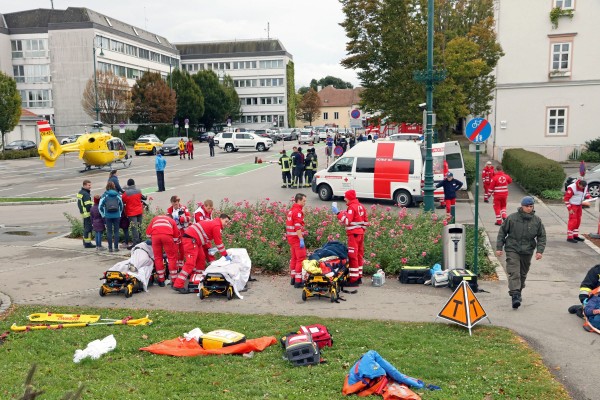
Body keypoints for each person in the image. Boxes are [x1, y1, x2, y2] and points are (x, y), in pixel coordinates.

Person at [496, 196, 546, 309]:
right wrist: (499, 247)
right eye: (527, 206)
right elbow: (502, 232)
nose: (529, 208)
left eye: (531, 206)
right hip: (512, 248)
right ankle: (515, 295)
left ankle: (518, 292)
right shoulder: (512, 218)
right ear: (522, 206)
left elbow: (541, 236)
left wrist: (539, 251)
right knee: (514, 272)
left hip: (527, 250)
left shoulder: (537, 220)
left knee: (523, 273)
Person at [172, 214, 232, 294]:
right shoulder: (216, 226)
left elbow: (205, 234)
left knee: (201, 258)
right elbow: (219, 243)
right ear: (221, 219)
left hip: (195, 240)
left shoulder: (214, 223)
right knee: (190, 263)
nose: (226, 224)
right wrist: (225, 255)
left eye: (228, 222)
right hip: (191, 240)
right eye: (226, 221)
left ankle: (197, 280)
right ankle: (178, 285)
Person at [332, 189, 368, 285]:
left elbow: (347, 221)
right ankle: (359, 276)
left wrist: (338, 213)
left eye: (346, 197)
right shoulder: (361, 206)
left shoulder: (352, 207)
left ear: (349, 197)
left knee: (353, 257)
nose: (344, 199)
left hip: (353, 235)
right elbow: (365, 222)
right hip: (360, 234)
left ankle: (354, 279)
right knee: (359, 255)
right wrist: (361, 231)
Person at [146, 214, 181, 286]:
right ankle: (174, 280)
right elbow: (176, 237)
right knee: (171, 257)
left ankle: (161, 280)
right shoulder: (172, 221)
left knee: (158, 257)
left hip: (155, 236)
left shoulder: (155, 218)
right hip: (167, 236)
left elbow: (148, 234)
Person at [287, 193, 307, 288]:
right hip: (296, 238)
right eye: (304, 201)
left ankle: (293, 278)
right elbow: (297, 227)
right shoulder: (297, 212)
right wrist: (301, 239)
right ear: (299, 200)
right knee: (301, 259)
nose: (305, 203)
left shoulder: (291, 211)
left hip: (291, 238)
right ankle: (298, 281)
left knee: (294, 258)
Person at [99, 181, 124, 252]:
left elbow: (100, 206)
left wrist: (103, 215)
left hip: (108, 216)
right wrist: (119, 213)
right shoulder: (117, 195)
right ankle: (116, 247)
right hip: (116, 215)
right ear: (114, 187)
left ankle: (110, 248)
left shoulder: (104, 195)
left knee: (109, 232)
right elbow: (121, 205)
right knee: (116, 232)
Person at [122, 178, 147, 249]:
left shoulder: (126, 193)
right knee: (139, 226)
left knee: (134, 228)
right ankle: (141, 240)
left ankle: (136, 243)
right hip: (139, 211)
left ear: (128, 185)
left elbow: (123, 201)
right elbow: (142, 197)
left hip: (131, 212)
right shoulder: (138, 190)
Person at [564, 179, 590, 243]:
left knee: (578, 220)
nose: (582, 188)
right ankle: (569, 237)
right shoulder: (571, 188)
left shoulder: (584, 186)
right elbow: (566, 199)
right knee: (573, 220)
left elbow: (586, 193)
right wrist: (569, 209)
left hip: (579, 205)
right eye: (582, 187)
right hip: (573, 206)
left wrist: (589, 196)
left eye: (584, 187)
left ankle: (575, 235)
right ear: (579, 184)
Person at [77, 179, 94, 248]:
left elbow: (80, 204)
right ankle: (88, 243)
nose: (90, 186)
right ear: (84, 185)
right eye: (89, 185)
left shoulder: (80, 192)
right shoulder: (86, 194)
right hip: (87, 213)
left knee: (86, 228)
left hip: (83, 213)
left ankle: (85, 242)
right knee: (88, 228)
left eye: (90, 185)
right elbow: (88, 205)